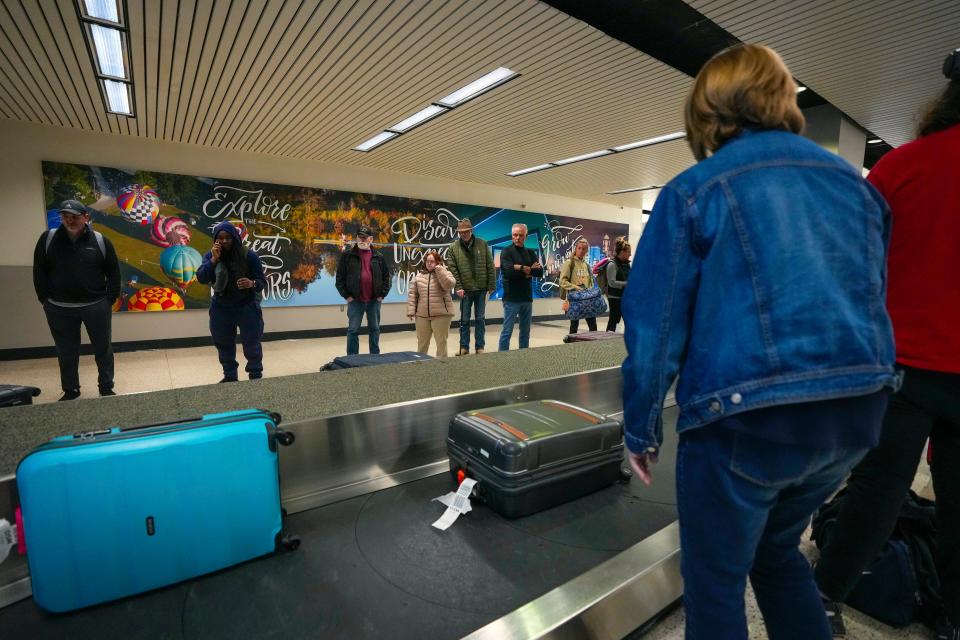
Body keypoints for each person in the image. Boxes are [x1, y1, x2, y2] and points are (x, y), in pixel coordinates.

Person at [620, 44, 898, 640]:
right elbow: (870, 295)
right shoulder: (861, 190)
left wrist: (640, 428)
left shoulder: (695, 191)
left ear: (705, 110)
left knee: (716, 582)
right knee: (777, 553)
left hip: (747, 421)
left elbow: (654, 327)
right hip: (855, 415)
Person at [814, 52, 960, 639]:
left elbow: (848, 265)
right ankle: (951, 618)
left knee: (878, 489)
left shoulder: (902, 166)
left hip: (899, 363)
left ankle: (825, 597)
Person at [32, 200, 121, 400]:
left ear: (86, 217)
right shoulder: (48, 239)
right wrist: (44, 299)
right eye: (66, 216)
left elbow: (114, 272)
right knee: (66, 352)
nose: (70, 220)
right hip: (59, 307)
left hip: (96, 306)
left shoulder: (100, 241)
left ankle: (106, 387)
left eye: (75, 217)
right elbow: (39, 271)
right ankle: (71, 389)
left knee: (103, 349)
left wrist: (109, 299)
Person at [196, 221, 266, 382]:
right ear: (215, 240)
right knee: (223, 343)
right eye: (220, 238)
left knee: (252, 342)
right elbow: (201, 277)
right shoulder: (210, 255)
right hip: (221, 307)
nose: (225, 241)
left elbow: (262, 281)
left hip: (246, 305)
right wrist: (213, 260)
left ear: (235, 237)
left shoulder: (248, 255)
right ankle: (230, 376)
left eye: (228, 237)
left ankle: (255, 375)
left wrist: (252, 283)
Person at [335, 225, 392, 355]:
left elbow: (386, 277)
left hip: (374, 301)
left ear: (371, 239)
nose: (361, 240)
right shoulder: (347, 256)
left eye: (364, 238)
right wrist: (346, 295)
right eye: (359, 237)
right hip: (355, 300)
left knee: (375, 329)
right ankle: (352, 358)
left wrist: (382, 295)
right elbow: (339, 278)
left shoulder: (379, 256)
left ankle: (374, 357)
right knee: (353, 330)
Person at [446, 218, 495, 355]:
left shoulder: (483, 244)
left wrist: (491, 284)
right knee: (464, 320)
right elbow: (453, 269)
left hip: (481, 288)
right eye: (461, 232)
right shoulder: (453, 247)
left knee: (480, 319)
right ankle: (464, 347)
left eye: (466, 232)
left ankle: (480, 347)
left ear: (471, 230)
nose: (463, 234)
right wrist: (459, 287)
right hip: (465, 290)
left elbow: (490, 265)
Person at [498, 223, 543, 351]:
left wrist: (518, 268)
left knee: (525, 332)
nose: (517, 238)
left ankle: (524, 358)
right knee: (507, 332)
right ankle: (501, 358)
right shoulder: (506, 252)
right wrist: (527, 269)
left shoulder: (530, 252)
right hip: (511, 299)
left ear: (526, 236)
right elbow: (508, 272)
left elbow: (539, 272)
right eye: (515, 235)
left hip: (527, 299)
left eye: (521, 235)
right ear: (512, 236)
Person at [406, 250, 456, 357]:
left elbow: (449, 285)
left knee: (441, 343)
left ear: (438, 262)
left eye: (432, 261)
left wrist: (440, 271)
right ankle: (421, 364)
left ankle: (442, 366)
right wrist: (411, 311)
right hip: (422, 315)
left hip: (441, 315)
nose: (429, 263)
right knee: (422, 342)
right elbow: (412, 295)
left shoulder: (446, 273)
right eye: (427, 261)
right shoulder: (418, 277)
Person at [559, 238, 597, 334]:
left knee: (593, 326)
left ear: (587, 251)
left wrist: (591, 291)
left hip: (587, 300)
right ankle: (571, 347)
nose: (581, 251)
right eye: (579, 248)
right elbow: (562, 281)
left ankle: (595, 347)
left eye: (584, 249)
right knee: (574, 327)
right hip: (575, 299)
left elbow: (590, 282)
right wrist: (576, 288)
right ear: (575, 249)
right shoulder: (569, 263)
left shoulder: (586, 265)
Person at [605, 237, 631, 332]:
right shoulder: (612, 264)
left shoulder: (627, 264)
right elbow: (612, 283)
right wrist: (627, 284)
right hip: (615, 298)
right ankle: (606, 342)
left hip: (625, 298)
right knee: (613, 321)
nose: (630, 254)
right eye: (628, 252)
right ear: (622, 252)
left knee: (629, 321)